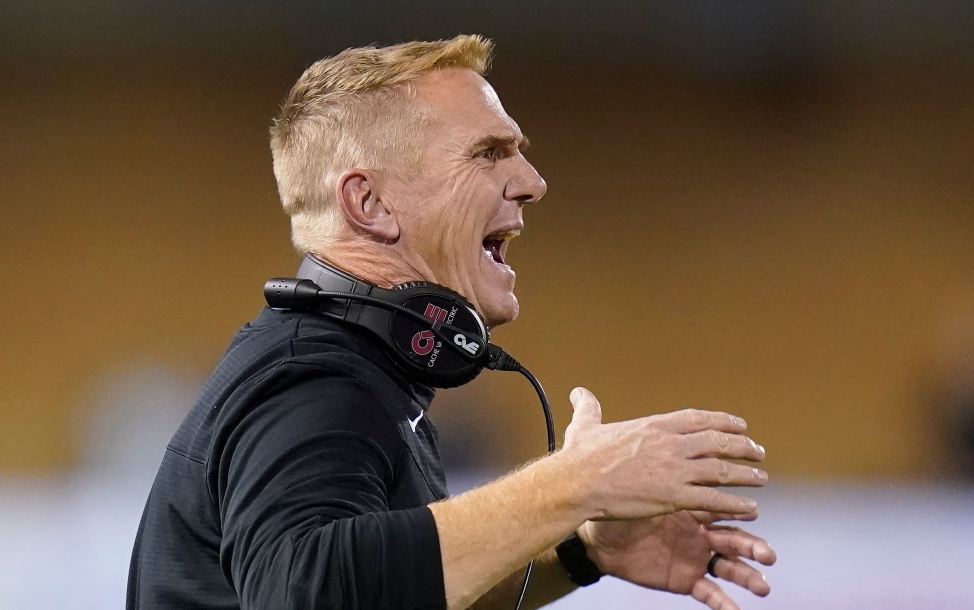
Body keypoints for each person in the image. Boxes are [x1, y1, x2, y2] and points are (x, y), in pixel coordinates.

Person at [127, 35, 776, 610]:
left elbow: (382, 594)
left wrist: (575, 555)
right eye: (489, 153)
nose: (532, 181)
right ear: (370, 203)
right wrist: (575, 483)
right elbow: (303, 592)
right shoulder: (317, 376)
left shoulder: (356, 368)